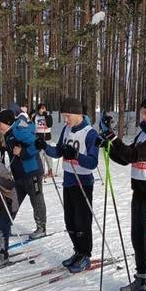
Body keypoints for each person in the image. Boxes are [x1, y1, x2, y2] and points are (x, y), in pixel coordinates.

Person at [98, 94, 146, 291]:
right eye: (142, 112)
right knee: (137, 237)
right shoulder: (144, 132)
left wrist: (113, 138)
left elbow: (134, 155)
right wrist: (107, 145)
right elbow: (124, 157)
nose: (143, 116)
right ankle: (140, 278)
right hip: (139, 192)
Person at [35, 96, 99, 273]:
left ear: (78, 114)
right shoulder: (66, 129)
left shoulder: (90, 133)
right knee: (70, 221)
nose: (65, 120)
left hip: (83, 182)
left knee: (82, 222)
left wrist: (76, 155)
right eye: (64, 116)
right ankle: (77, 252)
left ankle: (85, 255)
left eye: (67, 116)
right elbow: (57, 152)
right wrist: (44, 146)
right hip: (69, 180)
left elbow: (93, 163)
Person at [0, 108, 47, 240]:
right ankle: (5, 226)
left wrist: (22, 152)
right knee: (13, 200)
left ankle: (41, 228)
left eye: (0, 123)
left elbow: (37, 144)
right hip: (19, 174)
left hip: (32, 171)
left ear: (7, 122)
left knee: (36, 200)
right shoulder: (9, 133)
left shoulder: (19, 131)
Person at [31, 103, 54, 177]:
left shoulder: (48, 116)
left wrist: (45, 115)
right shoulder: (35, 117)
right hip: (38, 138)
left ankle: (50, 170)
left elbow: (50, 124)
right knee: (40, 155)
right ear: (38, 109)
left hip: (47, 138)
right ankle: (41, 171)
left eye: (44, 108)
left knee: (48, 155)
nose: (43, 110)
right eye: (41, 108)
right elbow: (32, 126)